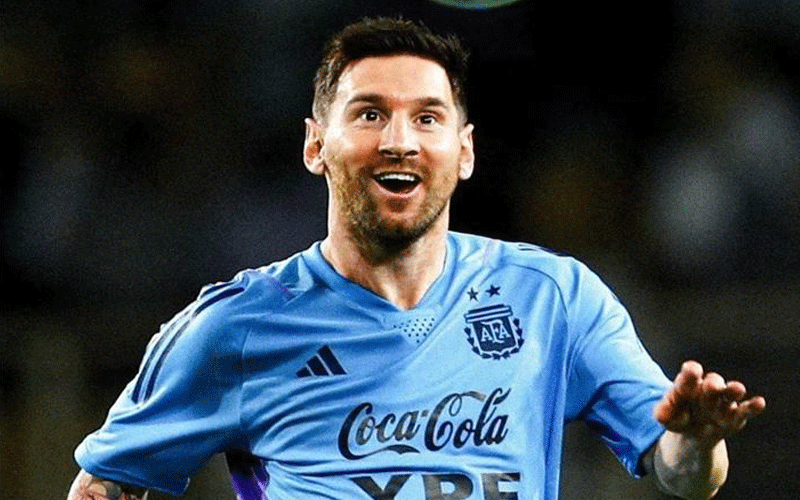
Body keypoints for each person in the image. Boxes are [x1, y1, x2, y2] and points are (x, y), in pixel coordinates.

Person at [68, 17, 766, 500]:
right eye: (369, 113)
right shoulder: (237, 327)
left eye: (427, 117)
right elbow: (107, 484)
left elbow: (683, 475)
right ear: (316, 145)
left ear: (464, 151)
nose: (399, 140)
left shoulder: (553, 297)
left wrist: (697, 441)